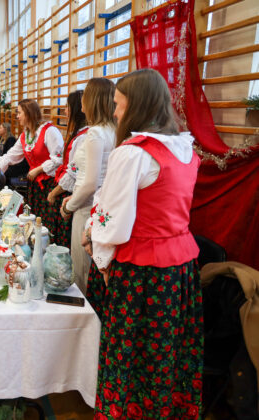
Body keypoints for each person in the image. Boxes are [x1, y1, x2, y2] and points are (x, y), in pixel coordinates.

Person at [85, 69, 203, 418]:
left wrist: (97, 251)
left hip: (142, 273)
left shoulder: (133, 153)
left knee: (133, 352)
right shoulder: (185, 149)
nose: (115, 112)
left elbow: (113, 224)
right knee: (165, 353)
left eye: (119, 105)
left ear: (136, 106)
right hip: (180, 270)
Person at [59, 79, 116, 292]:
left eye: (85, 98)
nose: (81, 104)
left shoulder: (95, 133)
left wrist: (69, 206)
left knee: (81, 271)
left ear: (92, 101)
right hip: (100, 206)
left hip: (86, 207)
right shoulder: (113, 130)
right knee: (93, 269)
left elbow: (90, 183)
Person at [0, 99, 64, 234]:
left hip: (50, 184)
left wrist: (38, 169)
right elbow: (10, 156)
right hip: (34, 185)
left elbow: (59, 158)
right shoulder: (25, 135)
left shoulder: (49, 131)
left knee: (48, 223)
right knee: (34, 220)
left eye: (19, 113)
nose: (17, 116)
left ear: (28, 113)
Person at [46, 90, 87, 248]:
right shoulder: (79, 134)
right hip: (65, 189)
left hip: (69, 193)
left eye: (67, 107)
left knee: (66, 243)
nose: (64, 111)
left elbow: (73, 174)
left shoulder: (83, 137)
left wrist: (54, 192)